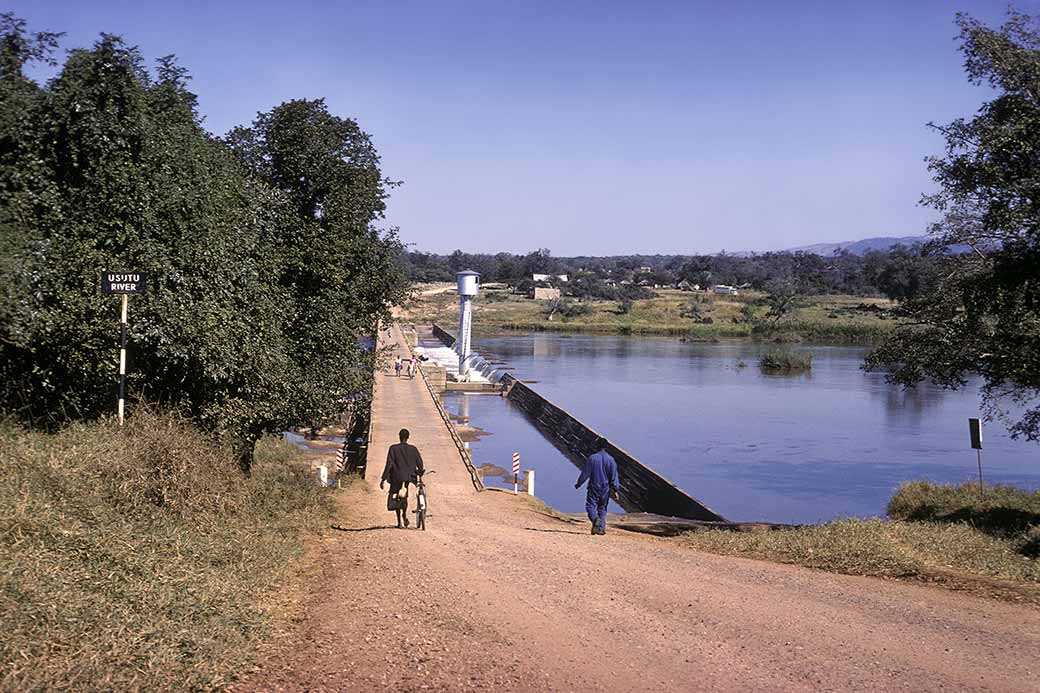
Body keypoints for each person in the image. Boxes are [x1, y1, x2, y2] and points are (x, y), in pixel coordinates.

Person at [381, 428, 425, 528]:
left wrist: (383, 479)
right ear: (408, 437)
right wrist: (420, 472)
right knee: (404, 496)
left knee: (397, 496)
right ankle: (404, 515)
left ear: (399, 437)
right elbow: (420, 463)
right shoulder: (413, 449)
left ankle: (399, 522)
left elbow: (389, 464)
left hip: (396, 477)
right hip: (409, 477)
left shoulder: (393, 448)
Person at [575, 437, 620, 535]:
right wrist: (615, 489)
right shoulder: (611, 460)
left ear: (597, 446)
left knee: (590, 506)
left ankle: (595, 520)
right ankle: (601, 529)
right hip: (606, 489)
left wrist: (578, 484)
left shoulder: (592, 458)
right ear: (606, 447)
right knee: (602, 509)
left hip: (594, 487)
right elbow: (614, 477)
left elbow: (585, 474)